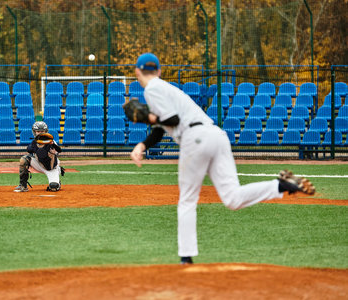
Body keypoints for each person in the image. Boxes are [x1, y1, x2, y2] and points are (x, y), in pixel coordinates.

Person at [128, 53, 316, 265]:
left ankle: (186, 258)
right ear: (160, 71)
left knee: (187, 200)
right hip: (215, 135)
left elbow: (172, 120)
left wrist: (148, 117)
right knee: (232, 198)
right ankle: (281, 185)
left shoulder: (152, 89)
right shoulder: (167, 88)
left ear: (137, 72)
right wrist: (142, 144)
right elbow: (162, 128)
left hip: (195, 138)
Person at [14, 121, 64, 192]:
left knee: (53, 187)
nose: (40, 133)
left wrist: (52, 149)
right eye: (38, 131)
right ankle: (23, 185)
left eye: (42, 131)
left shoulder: (51, 142)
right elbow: (29, 149)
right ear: (34, 132)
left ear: (46, 131)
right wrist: (37, 146)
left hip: (51, 168)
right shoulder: (34, 142)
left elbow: (58, 150)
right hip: (39, 164)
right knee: (24, 159)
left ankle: (57, 181)